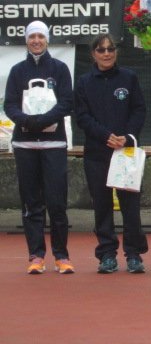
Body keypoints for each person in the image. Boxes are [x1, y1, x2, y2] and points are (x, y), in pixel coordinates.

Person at [4, 20, 74, 274]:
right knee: (31, 203)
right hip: (25, 145)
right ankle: (36, 256)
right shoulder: (17, 71)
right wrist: (26, 121)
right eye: (32, 37)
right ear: (26, 40)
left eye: (40, 37)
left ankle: (61, 256)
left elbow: (67, 102)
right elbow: (10, 105)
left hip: (54, 144)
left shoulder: (60, 69)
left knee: (57, 203)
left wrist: (44, 120)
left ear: (47, 40)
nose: (36, 41)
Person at [74, 34, 148, 274]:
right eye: (101, 50)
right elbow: (82, 117)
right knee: (102, 206)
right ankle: (107, 254)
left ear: (116, 51)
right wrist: (105, 135)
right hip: (97, 152)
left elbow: (139, 109)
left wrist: (127, 137)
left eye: (110, 49)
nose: (106, 53)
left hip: (126, 152)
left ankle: (134, 254)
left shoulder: (129, 77)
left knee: (130, 206)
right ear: (93, 54)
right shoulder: (84, 82)